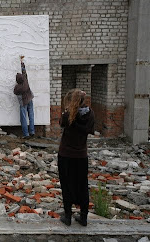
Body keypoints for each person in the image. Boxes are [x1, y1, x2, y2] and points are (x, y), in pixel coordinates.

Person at [58, 88, 95, 226]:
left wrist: (66, 111)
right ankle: (83, 217)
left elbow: (61, 123)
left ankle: (68, 216)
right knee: (82, 185)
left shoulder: (68, 115)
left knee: (66, 184)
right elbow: (90, 130)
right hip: (81, 155)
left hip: (66, 155)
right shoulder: (90, 114)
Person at [13, 56, 35, 138]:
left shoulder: (17, 87)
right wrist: (21, 63)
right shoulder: (25, 80)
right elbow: (24, 71)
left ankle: (26, 134)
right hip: (30, 99)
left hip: (23, 102)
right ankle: (32, 131)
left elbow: (14, 92)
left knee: (23, 118)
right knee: (31, 115)